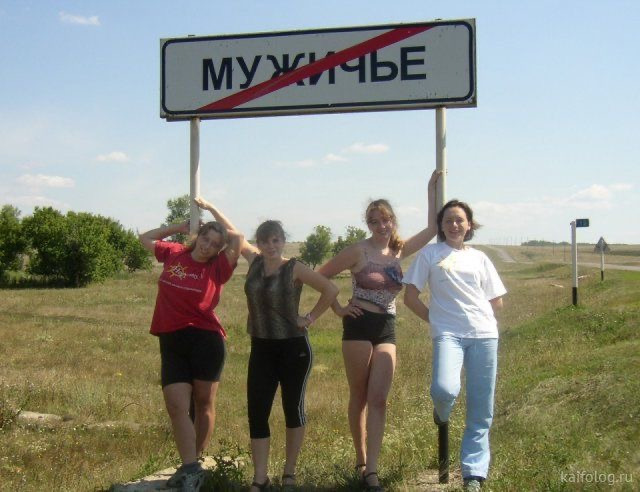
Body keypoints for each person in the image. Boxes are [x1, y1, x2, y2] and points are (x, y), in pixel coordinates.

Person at [194, 198, 339, 492]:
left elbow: (330, 288)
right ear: (259, 243)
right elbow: (234, 233)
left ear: (283, 241)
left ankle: (289, 474)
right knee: (257, 412)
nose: (271, 246)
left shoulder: (294, 268)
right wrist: (210, 209)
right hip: (261, 347)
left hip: (294, 348)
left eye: (276, 240)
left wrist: (309, 317)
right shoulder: (255, 261)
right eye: (265, 241)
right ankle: (260, 479)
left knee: (292, 409)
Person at [317, 171, 440, 491]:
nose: (381, 226)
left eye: (385, 220)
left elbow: (431, 230)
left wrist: (430, 190)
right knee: (359, 395)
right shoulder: (357, 251)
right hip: (358, 325)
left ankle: (372, 470)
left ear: (393, 221)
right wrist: (338, 308)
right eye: (374, 221)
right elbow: (320, 275)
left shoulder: (399, 250)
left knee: (379, 399)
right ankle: (360, 461)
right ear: (368, 224)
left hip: (386, 327)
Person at [402, 199, 506, 492]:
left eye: (460, 220)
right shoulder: (430, 254)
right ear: (441, 225)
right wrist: (436, 320)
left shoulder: (480, 258)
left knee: (481, 408)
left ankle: (474, 473)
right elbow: (410, 297)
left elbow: (496, 301)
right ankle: (442, 411)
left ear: (469, 224)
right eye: (448, 220)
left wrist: (479, 317)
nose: (454, 225)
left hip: (484, 335)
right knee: (444, 389)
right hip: (448, 335)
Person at [139, 209, 243, 492]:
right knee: (176, 406)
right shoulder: (175, 253)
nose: (207, 246)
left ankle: (191, 466)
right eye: (205, 239)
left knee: (203, 403)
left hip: (206, 341)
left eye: (214, 244)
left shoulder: (218, 267)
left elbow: (238, 237)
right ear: (199, 236)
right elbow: (145, 238)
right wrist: (180, 227)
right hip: (171, 340)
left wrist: (211, 209)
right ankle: (191, 467)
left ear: (219, 249)